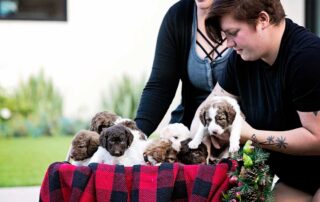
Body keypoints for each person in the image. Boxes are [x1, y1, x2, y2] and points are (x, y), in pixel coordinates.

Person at [190, 0, 320, 201]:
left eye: (233, 33)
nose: (229, 44)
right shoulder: (241, 59)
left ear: (262, 20)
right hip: (298, 179)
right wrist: (206, 132)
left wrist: (250, 135)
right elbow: (208, 108)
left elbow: (317, 138)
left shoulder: (307, 58)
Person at [135, 0, 232, 136]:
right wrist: (135, 136)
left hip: (239, 133)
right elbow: (160, 86)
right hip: (188, 130)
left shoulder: (247, 12)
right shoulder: (178, 16)